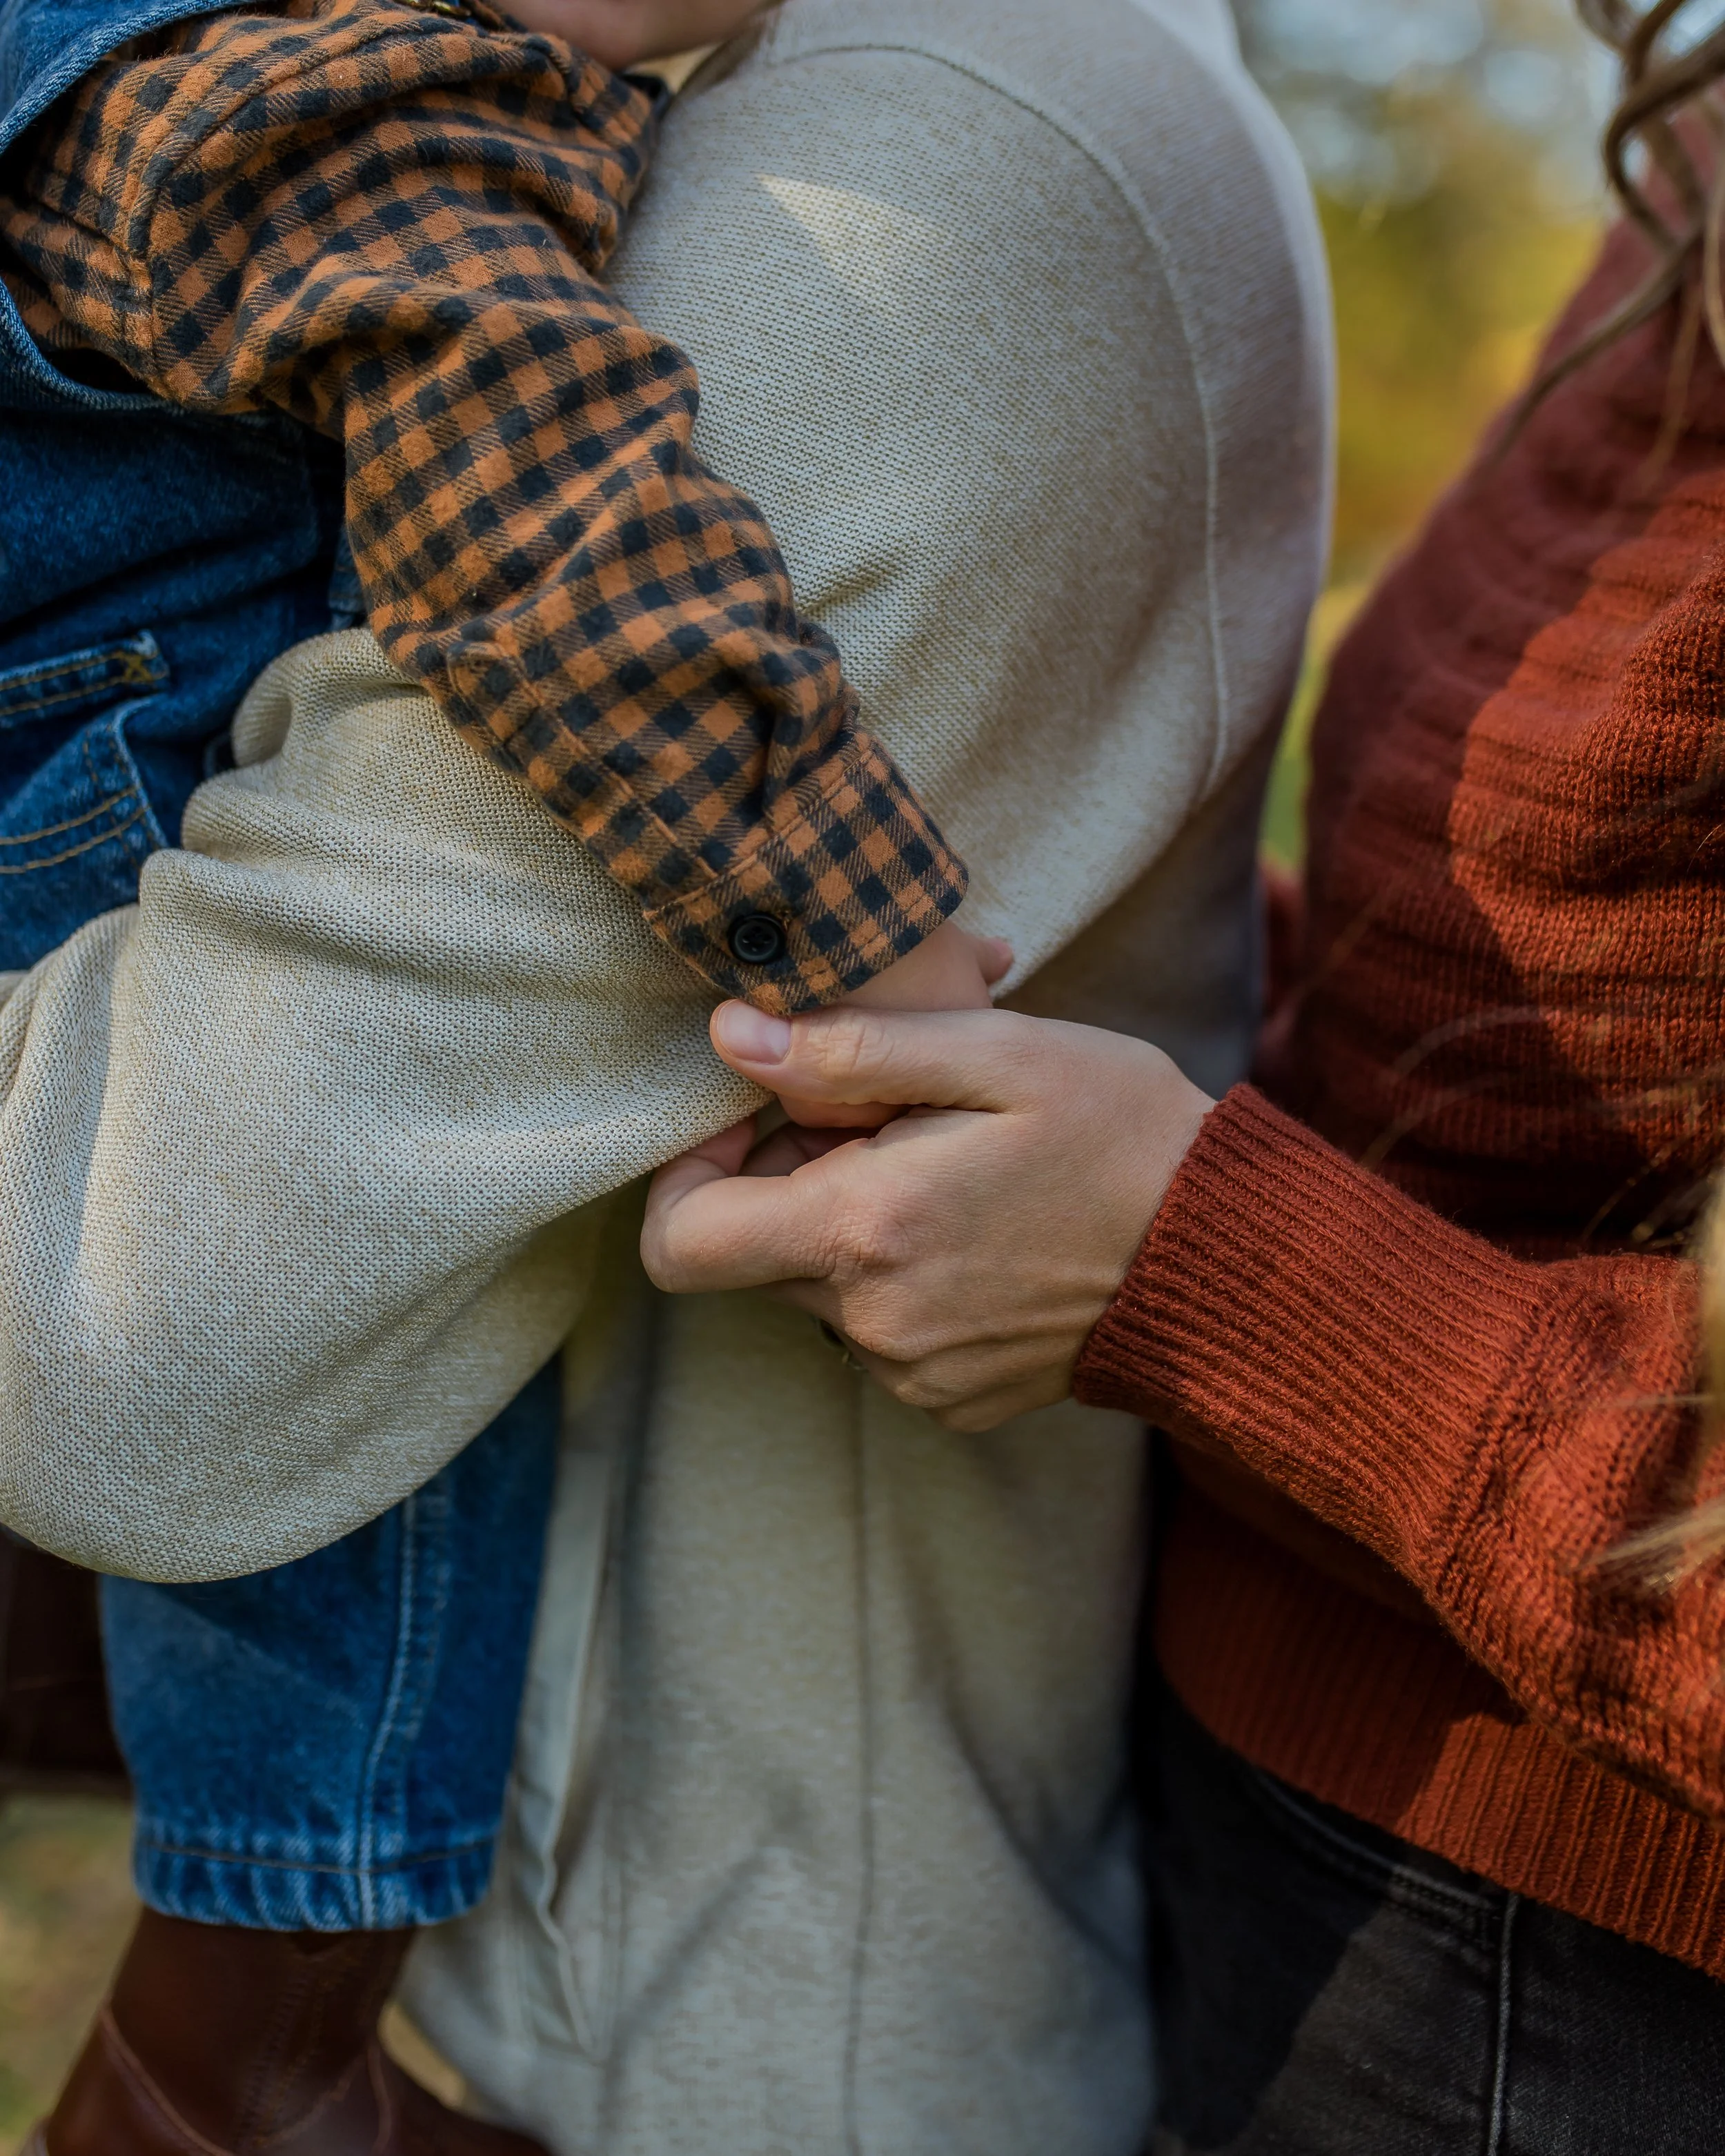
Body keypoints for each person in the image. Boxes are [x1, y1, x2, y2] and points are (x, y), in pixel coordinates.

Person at [1, 0, 1330, 2148]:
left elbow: (110, 1317)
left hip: (687, 2024)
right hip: (577, 1957)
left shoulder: (922, 178)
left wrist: (849, 907)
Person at [643, 6, 1725, 2146]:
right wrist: (1122, 1009)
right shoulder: (1681, 172)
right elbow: (1547, 1014)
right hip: (1247, 1785)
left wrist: (1209, 1264)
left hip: (1571, 1987)